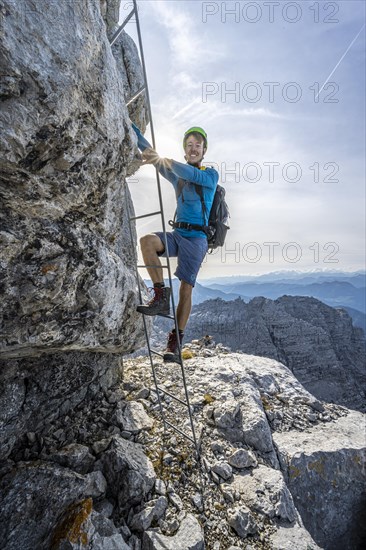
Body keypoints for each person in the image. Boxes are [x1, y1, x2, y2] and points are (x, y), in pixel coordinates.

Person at [132, 123, 219, 363]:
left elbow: (190, 173)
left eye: (197, 146)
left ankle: (176, 342)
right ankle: (160, 296)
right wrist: (132, 129)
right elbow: (151, 154)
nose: (193, 149)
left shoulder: (210, 175)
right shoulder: (176, 175)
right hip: (178, 234)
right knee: (147, 242)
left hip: (197, 239)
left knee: (185, 288)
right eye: (189, 145)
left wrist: (165, 160)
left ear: (204, 151)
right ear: (185, 150)